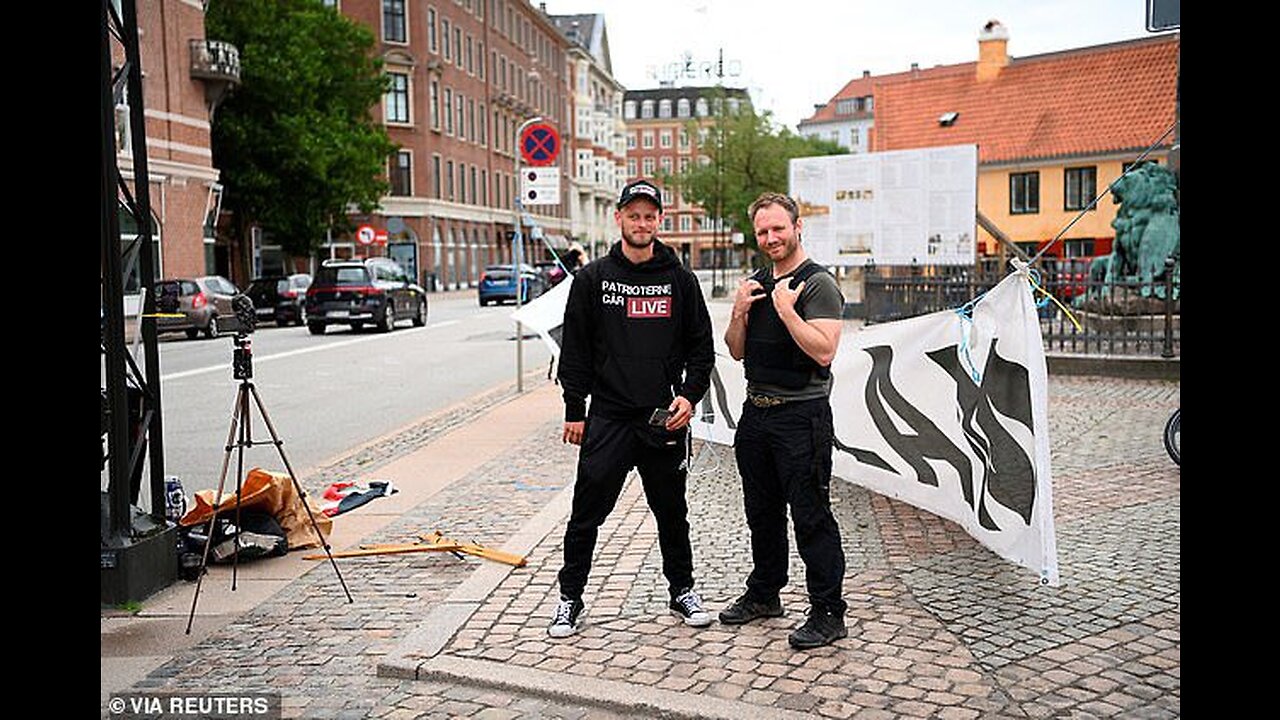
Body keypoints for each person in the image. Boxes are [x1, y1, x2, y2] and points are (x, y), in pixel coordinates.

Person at [548, 179, 717, 638]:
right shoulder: (593, 279)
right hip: (607, 417)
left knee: (671, 512)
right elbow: (576, 351)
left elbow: (702, 349)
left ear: (659, 220)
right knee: (586, 512)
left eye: (649, 215)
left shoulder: (680, 280)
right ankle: (569, 598)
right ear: (618, 218)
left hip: (661, 419)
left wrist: (690, 395)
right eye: (633, 214)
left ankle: (682, 590)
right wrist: (574, 409)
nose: (641, 223)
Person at [720, 191, 849, 650]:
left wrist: (786, 309)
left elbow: (824, 349)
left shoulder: (818, 285)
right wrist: (739, 311)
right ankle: (765, 594)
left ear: (797, 227)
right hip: (756, 415)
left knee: (811, 515)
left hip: (801, 415)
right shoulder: (755, 283)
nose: (771, 237)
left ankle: (828, 612)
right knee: (762, 513)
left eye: (778, 228)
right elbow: (736, 350)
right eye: (762, 231)